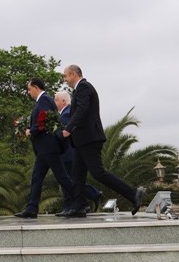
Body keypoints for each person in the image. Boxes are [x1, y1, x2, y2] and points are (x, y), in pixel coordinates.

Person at [60, 64, 144, 218]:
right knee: (77, 175)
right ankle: (79, 207)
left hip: (89, 139)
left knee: (98, 173)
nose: (64, 80)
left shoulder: (84, 87)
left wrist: (69, 128)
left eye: (65, 76)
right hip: (81, 141)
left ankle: (133, 194)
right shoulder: (79, 90)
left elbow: (82, 109)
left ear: (73, 74)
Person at [15, 79, 78, 218]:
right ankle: (31, 208)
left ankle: (83, 199)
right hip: (44, 149)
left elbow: (44, 121)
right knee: (37, 178)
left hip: (48, 147)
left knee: (62, 177)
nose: (28, 92)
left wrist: (31, 130)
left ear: (36, 87)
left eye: (29, 89)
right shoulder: (45, 100)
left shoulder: (44, 100)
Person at [56, 90, 102, 212]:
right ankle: (85, 201)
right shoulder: (65, 113)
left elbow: (64, 135)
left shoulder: (65, 115)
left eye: (56, 100)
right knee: (71, 181)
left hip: (68, 153)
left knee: (69, 181)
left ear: (63, 101)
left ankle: (89, 196)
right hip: (69, 153)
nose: (54, 102)